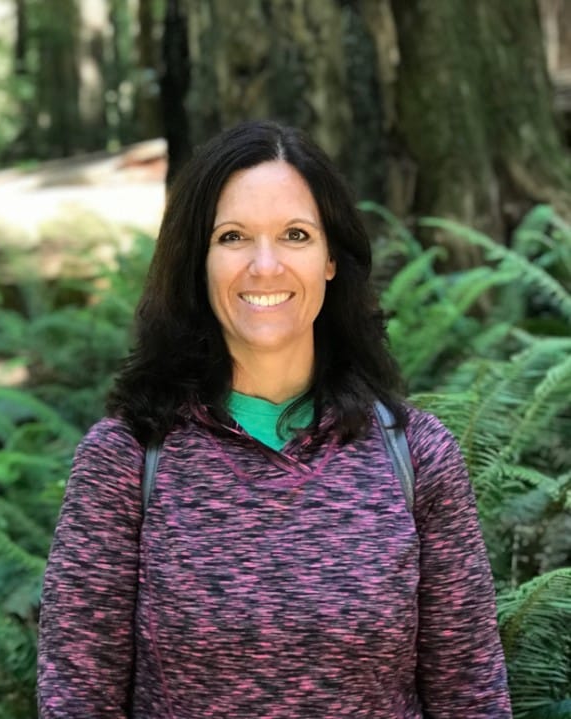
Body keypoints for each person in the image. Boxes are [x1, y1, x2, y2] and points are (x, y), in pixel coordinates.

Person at [37, 120, 512, 718]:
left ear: (330, 258)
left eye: (295, 235)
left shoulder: (417, 456)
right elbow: (77, 697)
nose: (265, 265)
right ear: (198, 260)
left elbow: (471, 694)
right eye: (234, 237)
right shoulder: (126, 460)